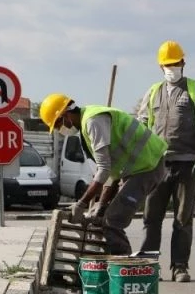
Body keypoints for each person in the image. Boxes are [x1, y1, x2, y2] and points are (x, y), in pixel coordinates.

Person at [39, 93, 167, 255]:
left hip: (149, 166)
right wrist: (100, 206)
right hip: (136, 169)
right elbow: (112, 173)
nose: (59, 130)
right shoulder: (87, 124)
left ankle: (125, 269)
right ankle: (113, 263)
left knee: (113, 221)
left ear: (65, 115)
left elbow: (104, 170)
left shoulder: (93, 122)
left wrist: (81, 204)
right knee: (102, 217)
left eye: (58, 125)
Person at [136, 40, 195, 283]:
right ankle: (150, 265)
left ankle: (179, 267)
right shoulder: (153, 92)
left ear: (183, 63)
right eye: (167, 64)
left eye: (176, 63)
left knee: (182, 219)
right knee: (151, 218)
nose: (172, 68)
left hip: (187, 164)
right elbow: (141, 125)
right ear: (161, 67)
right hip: (157, 165)